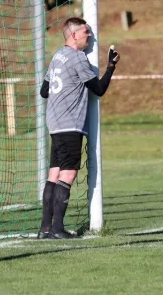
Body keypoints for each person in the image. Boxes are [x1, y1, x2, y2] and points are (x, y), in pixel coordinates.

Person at [38, 17, 120, 239]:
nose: (90, 35)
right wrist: (111, 67)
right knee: (69, 173)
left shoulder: (57, 56)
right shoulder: (77, 58)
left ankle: (45, 229)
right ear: (73, 35)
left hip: (54, 123)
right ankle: (57, 229)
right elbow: (99, 89)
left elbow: (44, 91)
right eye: (86, 32)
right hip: (70, 124)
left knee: (54, 174)